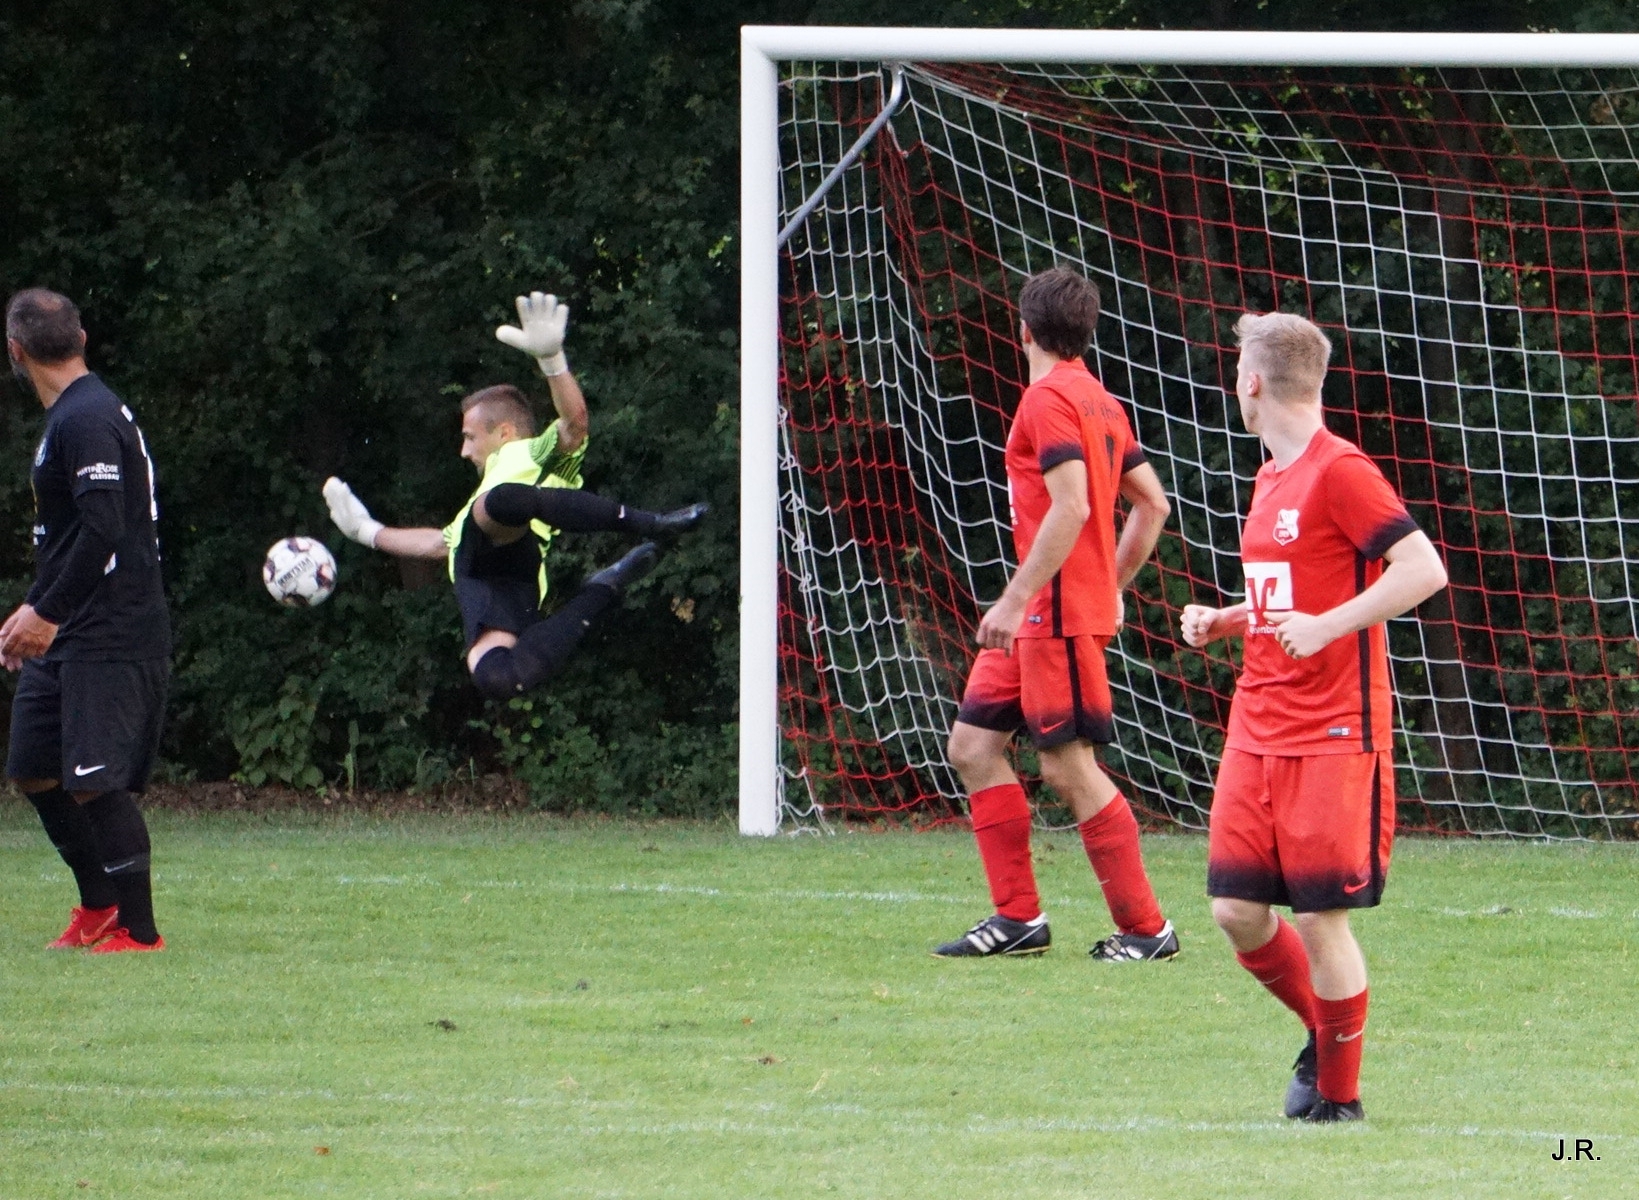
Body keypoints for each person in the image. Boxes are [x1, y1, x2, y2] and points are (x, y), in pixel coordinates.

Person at [1180, 312, 1448, 1122]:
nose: (1233, 384)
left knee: (1320, 917)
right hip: (1255, 721)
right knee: (1233, 909)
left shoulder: (1341, 471)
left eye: (1235, 371)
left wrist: (1331, 627)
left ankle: (1338, 1100)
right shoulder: (1268, 479)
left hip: (1334, 727)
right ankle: (1322, 1029)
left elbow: (1422, 570)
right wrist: (1229, 620)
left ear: (1253, 382)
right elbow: (1292, 595)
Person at [934, 267, 1178, 963]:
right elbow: (1151, 504)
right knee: (973, 748)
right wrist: (1115, 579)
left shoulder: (1045, 402)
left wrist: (1016, 597)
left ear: (1022, 330)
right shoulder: (1097, 399)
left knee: (1068, 770)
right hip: (1045, 614)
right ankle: (1017, 919)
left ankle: (1146, 930)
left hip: (1052, 616)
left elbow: (1072, 505)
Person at [324, 292, 705, 698]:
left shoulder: (529, 452)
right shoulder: (474, 506)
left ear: (503, 433)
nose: (464, 451)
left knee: (504, 502)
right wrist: (368, 531)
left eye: (470, 438)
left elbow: (574, 424)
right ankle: (606, 585)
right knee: (497, 678)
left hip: (519, 569)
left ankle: (651, 526)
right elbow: (438, 543)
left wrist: (553, 363)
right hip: (479, 577)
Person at [3, 288, 170, 953]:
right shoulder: (72, 415)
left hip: (111, 629)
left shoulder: (89, 417)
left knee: (95, 779)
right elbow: (76, 533)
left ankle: (138, 930)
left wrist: (47, 611)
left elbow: (105, 524)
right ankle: (98, 906)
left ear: (15, 351)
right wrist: (34, 606)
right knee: (33, 767)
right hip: (69, 628)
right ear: (82, 336)